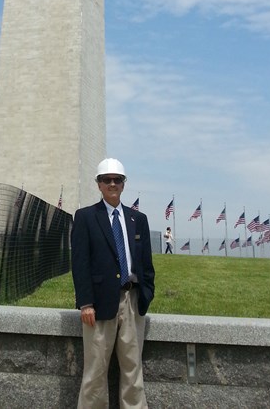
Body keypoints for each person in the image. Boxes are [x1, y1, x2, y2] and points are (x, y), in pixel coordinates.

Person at [71, 158, 155, 409]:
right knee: (95, 371)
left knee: (133, 370)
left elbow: (146, 263)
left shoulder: (137, 219)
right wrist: (85, 302)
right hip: (98, 304)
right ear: (98, 184)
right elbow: (80, 263)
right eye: (106, 180)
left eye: (117, 180)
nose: (112, 184)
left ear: (123, 184)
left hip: (131, 301)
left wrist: (146, 295)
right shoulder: (86, 217)